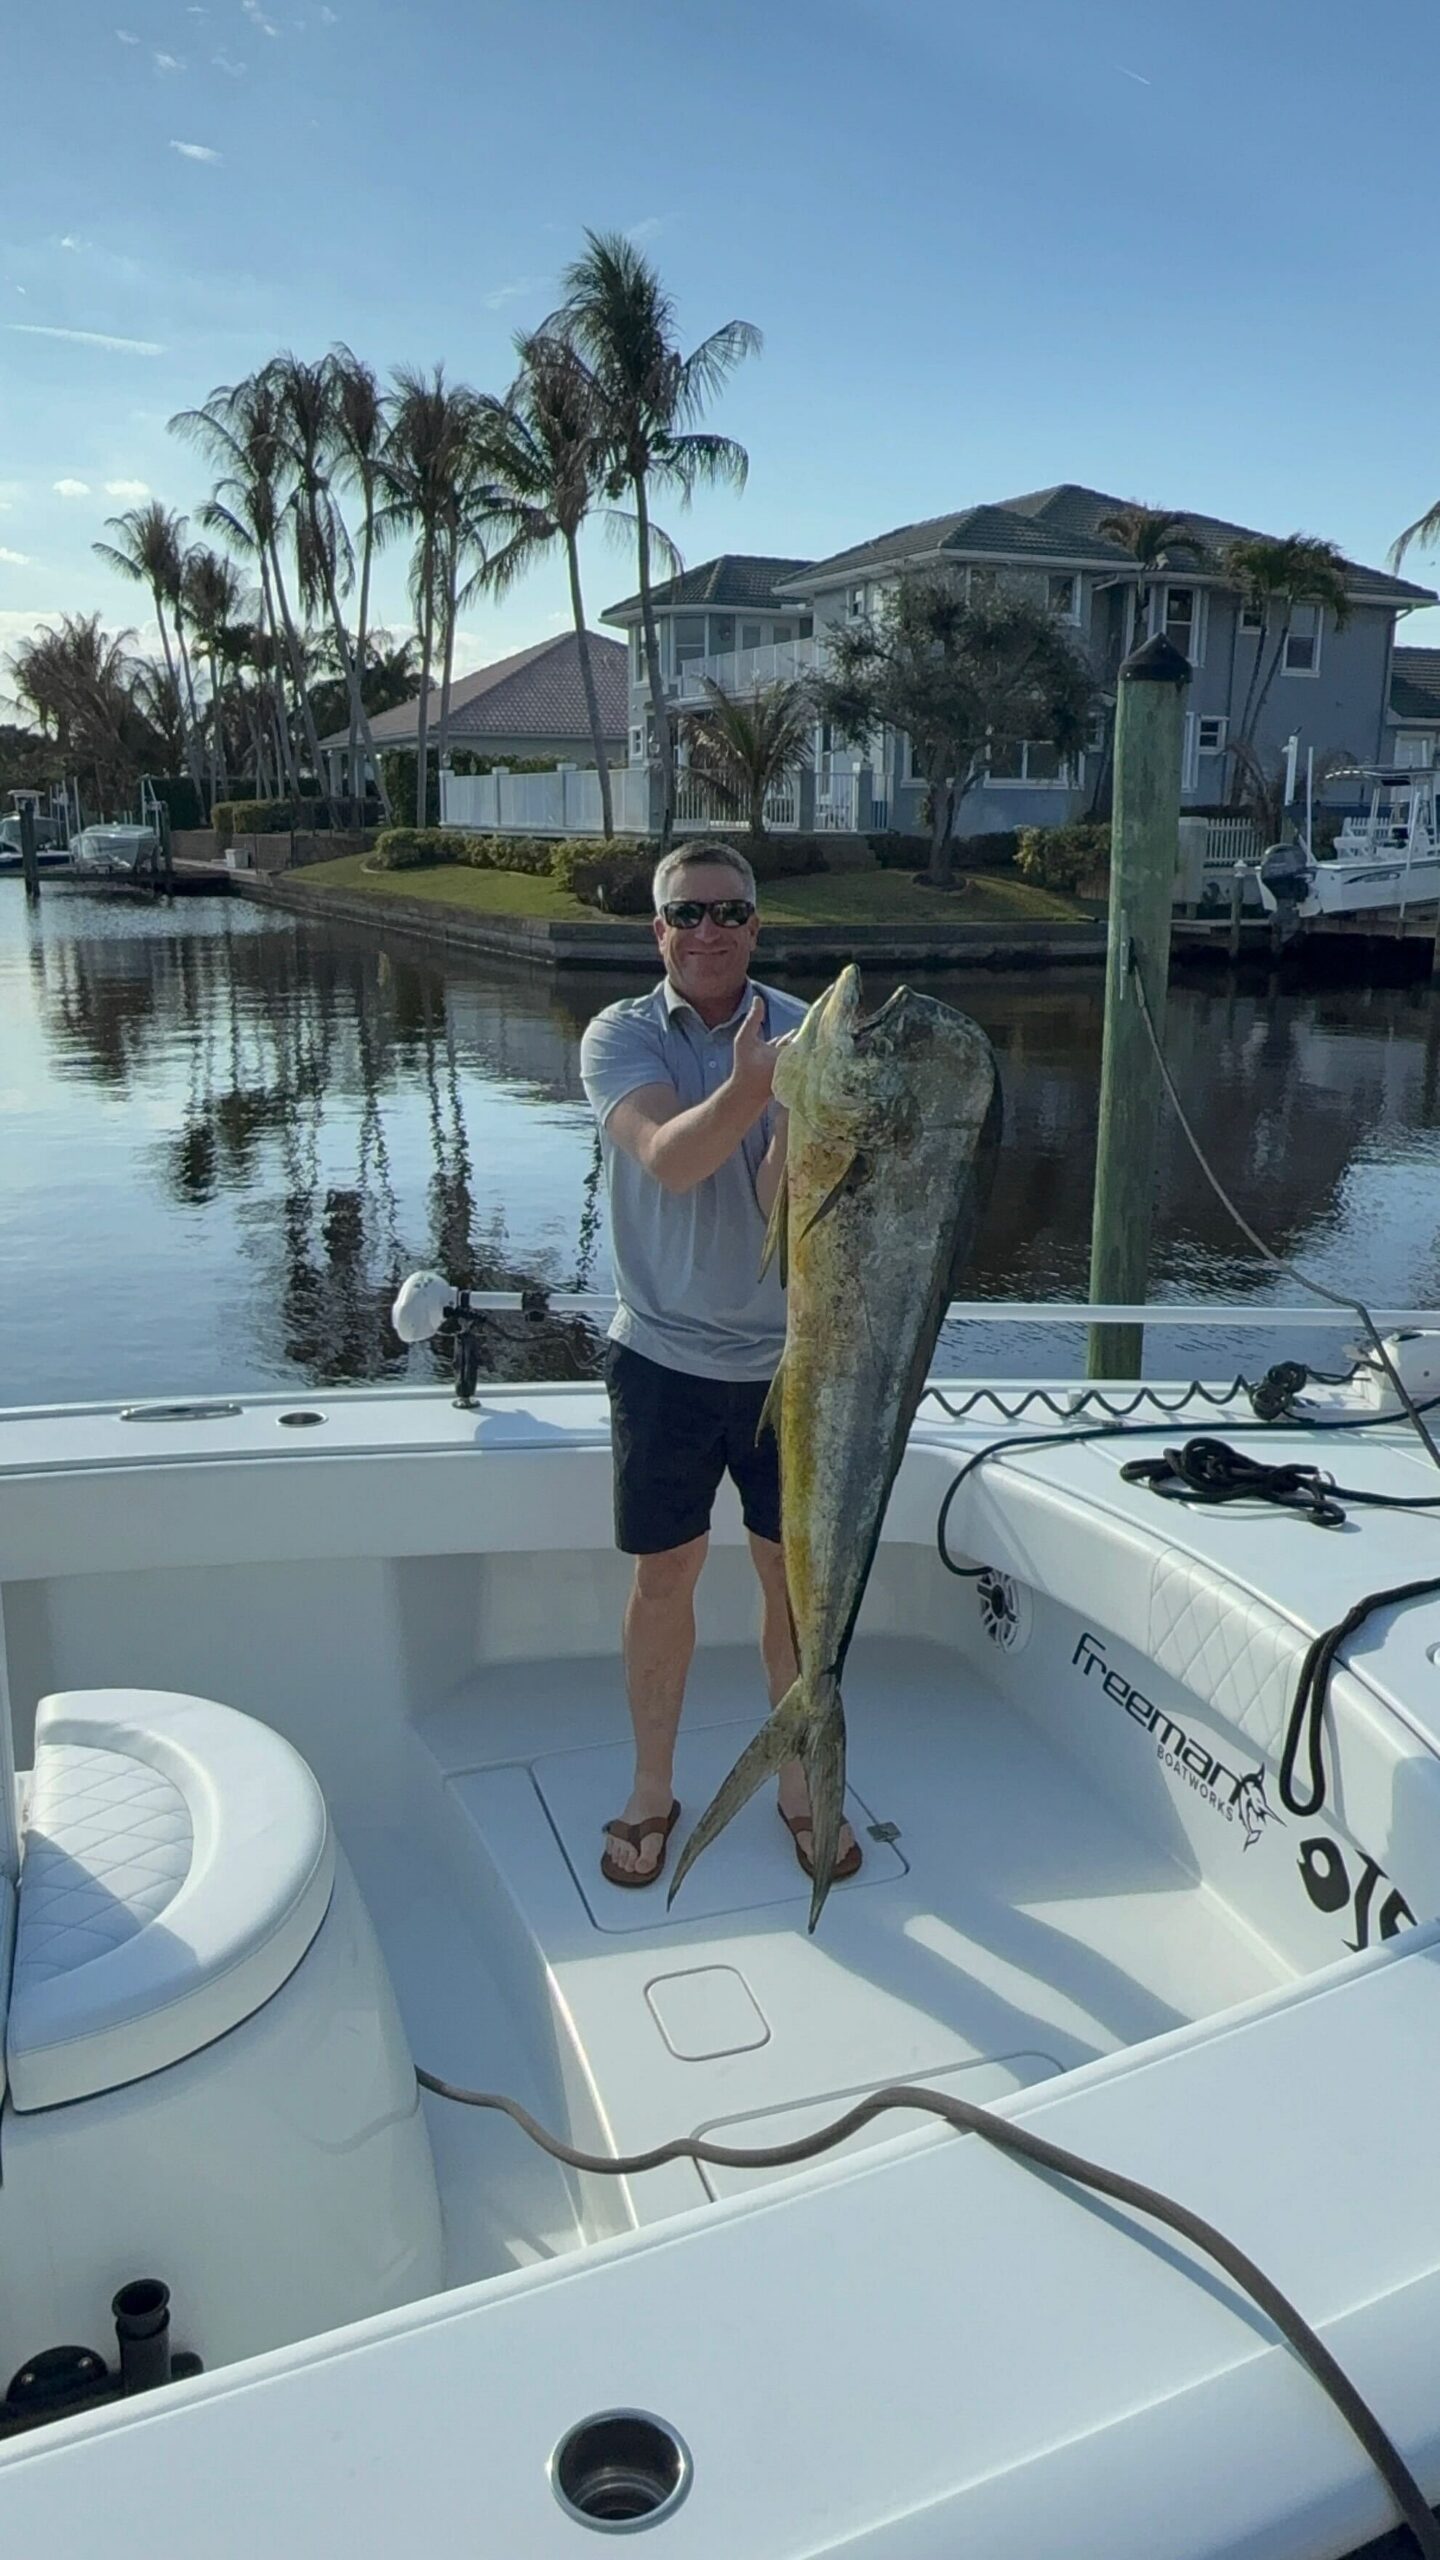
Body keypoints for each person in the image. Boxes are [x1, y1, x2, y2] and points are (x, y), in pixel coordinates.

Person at [579, 844, 863, 1891]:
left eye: (728, 911)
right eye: (685, 913)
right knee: (667, 1574)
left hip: (795, 1362)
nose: (707, 931)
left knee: (792, 1584)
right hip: (660, 1356)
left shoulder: (809, 1033)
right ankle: (653, 1789)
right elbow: (669, 1155)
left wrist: (796, 1103)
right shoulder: (619, 1035)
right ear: (657, 930)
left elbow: (792, 1210)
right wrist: (754, 1085)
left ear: (755, 924)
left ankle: (796, 1782)